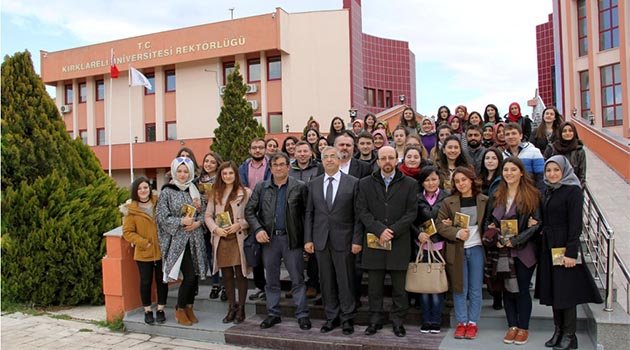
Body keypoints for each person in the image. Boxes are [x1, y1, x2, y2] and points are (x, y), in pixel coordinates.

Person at [536, 156, 602, 350]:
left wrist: (571, 252)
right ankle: (558, 330)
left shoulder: (573, 191)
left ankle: (570, 336)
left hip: (564, 246)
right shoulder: (549, 190)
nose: (552, 174)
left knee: (566, 293)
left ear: (564, 170)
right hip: (549, 246)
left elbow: (576, 225)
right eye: (549, 170)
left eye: (556, 170)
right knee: (555, 291)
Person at [245, 153, 311, 330]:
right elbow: (249, 212)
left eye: (283, 164)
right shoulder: (261, 187)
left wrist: (306, 240)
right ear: (271, 168)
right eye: (276, 165)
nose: (279, 168)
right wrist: (258, 229)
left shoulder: (300, 187)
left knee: (297, 279)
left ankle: (302, 314)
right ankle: (273, 314)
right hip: (270, 241)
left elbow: (307, 215)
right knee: (271, 280)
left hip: (292, 240)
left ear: (288, 167)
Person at [357, 146, 418, 338]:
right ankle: (375, 320)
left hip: (399, 242)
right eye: (383, 158)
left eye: (391, 158)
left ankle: (398, 321)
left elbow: (411, 213)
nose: (387, 162)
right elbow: (362, 211)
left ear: (397, 160)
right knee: (375, 288)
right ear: (377, 161)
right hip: (374, 242)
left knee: (399, 289)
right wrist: (379, 230)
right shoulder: (365, 183)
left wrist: (392, 231)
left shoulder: (410, 184)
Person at [482, 157, 542, 346]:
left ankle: (523, 327)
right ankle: (512, 326)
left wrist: (514, 241)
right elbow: (488, 222)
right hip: (501, 250)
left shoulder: (533, 195)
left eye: (513, 170)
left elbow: (537, 224)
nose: (509, 173)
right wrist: (496, 237)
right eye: (506, 170)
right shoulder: (497, 194)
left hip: (524, 250)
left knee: (522, 289)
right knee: (507, 289)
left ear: (521, 172)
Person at [304, 146, 363, 335]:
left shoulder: (353, 183)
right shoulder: (314, 183)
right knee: (326, 281)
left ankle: (347, 318)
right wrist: (308, 239)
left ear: (340, 160)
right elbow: (309, 213)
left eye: (333, 156)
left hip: (344, 241)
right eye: (326, 157)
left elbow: (358, 215)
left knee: (345, 280)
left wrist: (356, 240)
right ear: (322, 161)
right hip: (320, 240)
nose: (329, 160)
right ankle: (331, 317)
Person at [436, 166, 488, 340]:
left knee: (475, 288)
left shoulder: (484, 200)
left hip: (477, 249)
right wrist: (456, 232)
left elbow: (490, 223)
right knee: (459, 287)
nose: (461, 184)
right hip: (457, 250)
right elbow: (440, 225)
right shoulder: (449, 201)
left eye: (464, 180)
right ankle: (461, 322)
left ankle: (472, 323)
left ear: (472, 180)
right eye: (457, 181)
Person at [156, 157, 208, 326]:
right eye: (179, 171)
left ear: (191, 173)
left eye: (186, 171)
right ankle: (179, 309)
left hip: (195, 238)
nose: (183, 174)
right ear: (174, 172)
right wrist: (181, 222)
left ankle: (189, 307)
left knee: (196, 276)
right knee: (190, 276)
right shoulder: (167, 192)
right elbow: (161, 217)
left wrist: (198, 223)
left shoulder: (195, 191)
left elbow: (203, 213)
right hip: (178, 241)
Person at [205, 161, 252, 324]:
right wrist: (215, 229)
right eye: (224, 173)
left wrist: (240, 224)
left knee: (241, 273)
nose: (227, 176)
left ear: (236, 175)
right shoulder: (215, 193)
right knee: (226, 274)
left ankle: (241, 309)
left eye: (230, 173)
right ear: (220, 175)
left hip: (238, 237)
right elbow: (208, 216)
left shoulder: (246, 192)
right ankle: (231, 307)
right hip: (222, 238)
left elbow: (252, 215)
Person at [122, 177, 168, 325]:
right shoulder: (131, 210)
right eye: (140, 188)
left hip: (161, 251)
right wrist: (143, 243)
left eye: (146, 187)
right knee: (146, 282)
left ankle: (160, 309)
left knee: (162, 281)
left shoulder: (158, 202)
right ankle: (147, 310)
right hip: (143, 253)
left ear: (150, 189)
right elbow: (127, 232)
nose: (143, 191)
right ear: (136, 191)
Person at [414, 166, 450, 334]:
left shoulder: (447, 197)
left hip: (440, 246)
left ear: (439, 180)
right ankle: (425, 319)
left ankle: (435, 320)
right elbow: (410, 220)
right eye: (427, 180)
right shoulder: (415, 198)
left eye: (434, 179)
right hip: (421, 246)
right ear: (422, 182)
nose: (430, 183)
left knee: (436, 284)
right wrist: (419, 233)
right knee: (423, 284)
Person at [289, 141, 323, 299]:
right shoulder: (289, 169)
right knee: (294, 252)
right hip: (294, 215)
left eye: (305, 151)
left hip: (314, 214)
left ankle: (313, 283)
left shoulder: (318, 168)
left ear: (311, 153)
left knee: (312, 252)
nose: (302, 154)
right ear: (294, 153)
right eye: (299, 151)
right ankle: (296, 283)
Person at [239, 138, 271, 301]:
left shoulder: (272, 166)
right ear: (250, 150)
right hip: (251, 213)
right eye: (254, 148)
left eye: (260, 147)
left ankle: (271, 287)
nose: (257, 150)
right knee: (255, 252)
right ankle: (260, 286)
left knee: (270, 254)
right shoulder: (243, 168)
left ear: (265, 149)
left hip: (269, 212)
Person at [199, 152, 225, 301]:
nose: (208, 164)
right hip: (203, 222)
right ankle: (216, 283)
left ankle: (226, 284)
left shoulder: (222, 179)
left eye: (212, 162)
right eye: (206, 161)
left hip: (219, 220)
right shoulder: (198, 181)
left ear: (218, 165)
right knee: (210, 254)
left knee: (222, 253)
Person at [503, 123, 545, 193]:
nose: (510, 136)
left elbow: (541, 178)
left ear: (521, 136)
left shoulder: (534, 152)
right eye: (507, 134)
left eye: (514, 133)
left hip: (530, 195)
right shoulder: (503, 155)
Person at [544, 122, 586, 186]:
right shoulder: (552, 148)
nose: (567, 133)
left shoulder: (579, 151)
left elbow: (582, 175)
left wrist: (578, 191)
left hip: (573, 188)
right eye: (564, 131)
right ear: (560, 133)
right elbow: (545, 170)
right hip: (554, 188)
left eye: (570, 131)